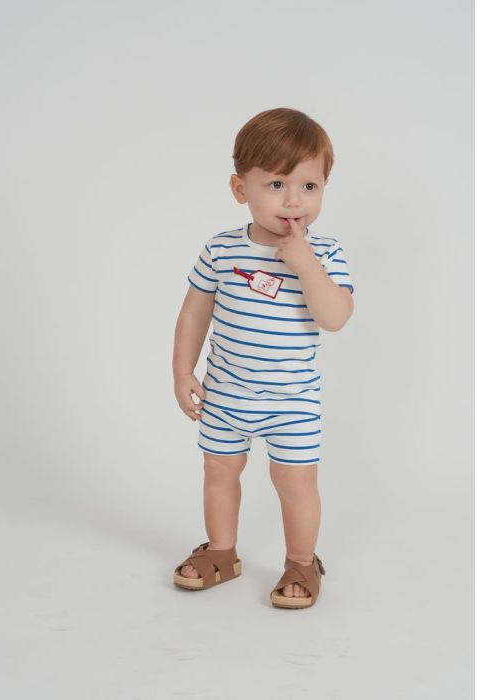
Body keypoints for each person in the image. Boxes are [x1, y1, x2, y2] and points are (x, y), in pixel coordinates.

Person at [171, 107, 355, 609]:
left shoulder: (326, 253)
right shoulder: (221, 250)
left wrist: (305, 264)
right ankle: (221, 552)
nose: (294, 200)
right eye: (276, 185)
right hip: (226, 393)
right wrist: (183, 370)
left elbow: (335, 316)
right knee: (218, 471)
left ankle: (301, 561)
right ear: (240, 189)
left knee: (295, 483)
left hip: (292, 401)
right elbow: (194, 313)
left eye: (309, 186)